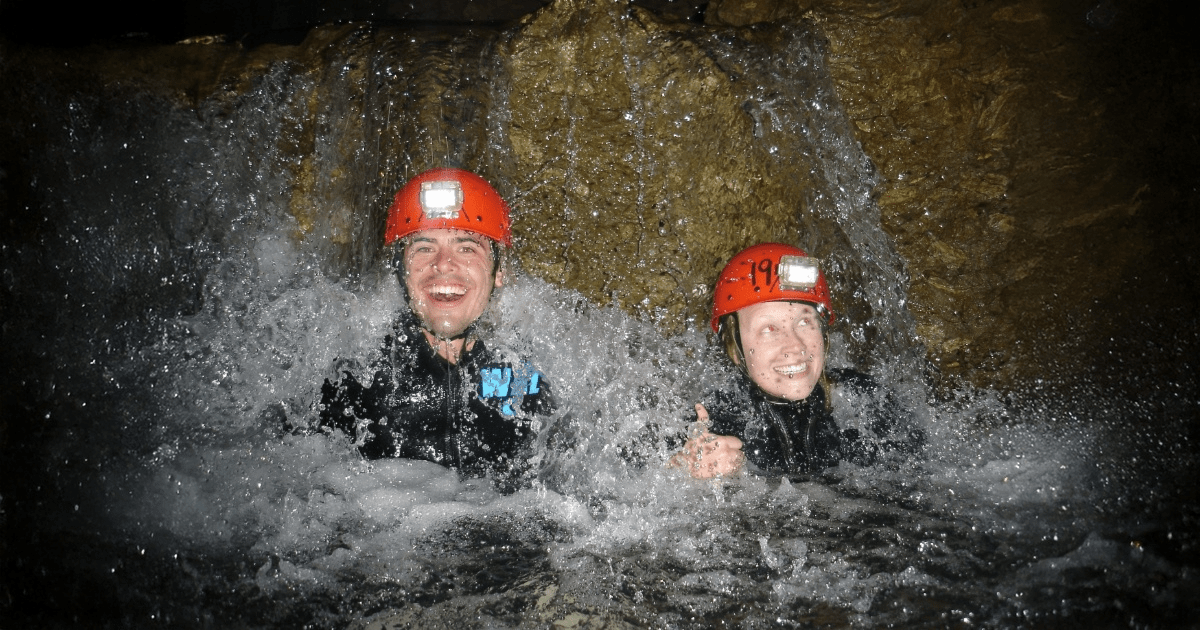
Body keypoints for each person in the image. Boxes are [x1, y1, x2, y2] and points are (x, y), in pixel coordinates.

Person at [318, 167, 554, 493]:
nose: (443, 264)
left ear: (499, 272)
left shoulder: (524, 375)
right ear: (401, 271)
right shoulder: (358, 379)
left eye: (467, 247)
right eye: (424, 247)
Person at [669, 243, 923, 479]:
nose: (795, 345)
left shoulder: (866, 401)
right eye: (768, 329)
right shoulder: (713, 423)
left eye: (804, 322)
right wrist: (686, 471)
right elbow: (642, 469)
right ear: (736, 351)